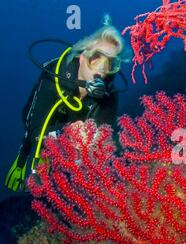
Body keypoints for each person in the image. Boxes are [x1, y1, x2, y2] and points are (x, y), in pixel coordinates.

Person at [5, 16, 129, 191]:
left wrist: (92, 144)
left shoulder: (110, 95)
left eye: (111, 63)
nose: (102, 68)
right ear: (81, 56)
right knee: (33, 142)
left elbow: (104, 138)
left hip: (73, 145)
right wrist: (66, 133)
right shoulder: (52, 78)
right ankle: (23, 155)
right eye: (96, 58)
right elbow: (34, 127)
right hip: (44, 126)